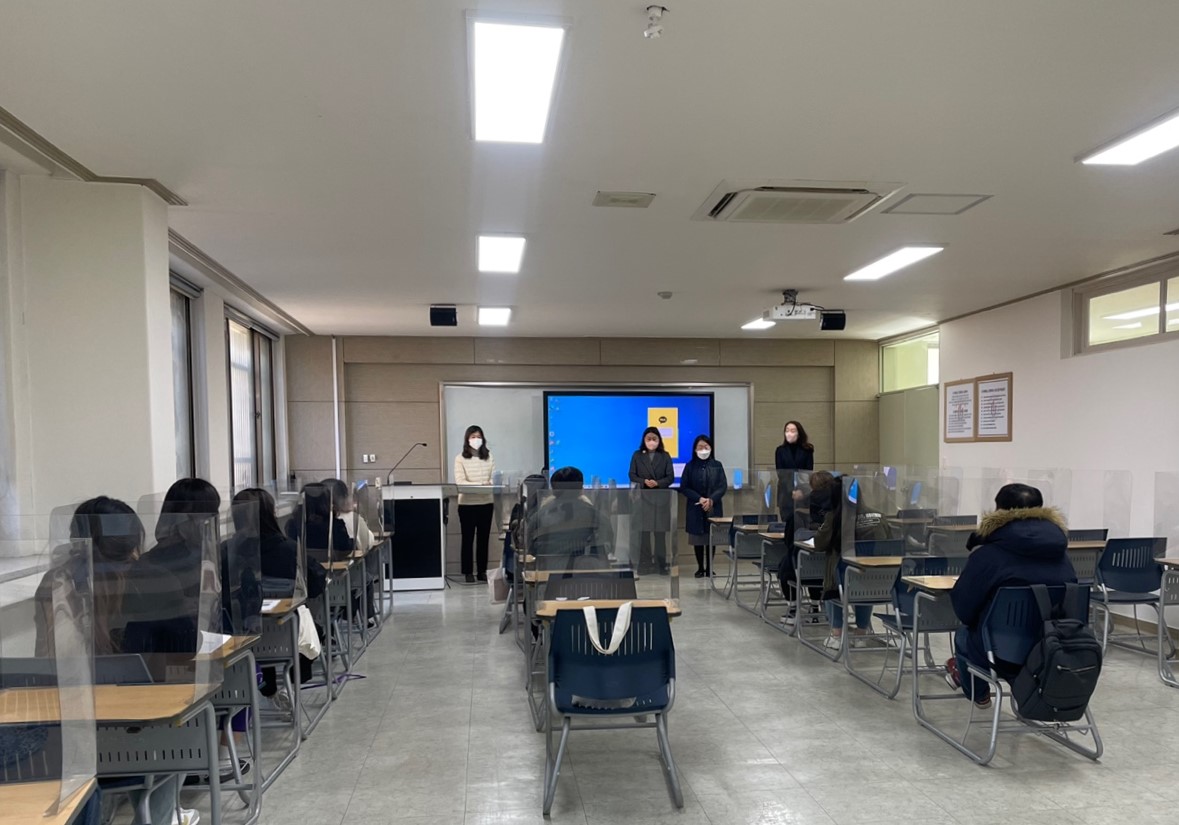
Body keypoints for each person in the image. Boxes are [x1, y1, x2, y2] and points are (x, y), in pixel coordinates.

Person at [947, 483, 1076, 708]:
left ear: (999, 511)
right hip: (1054, 645)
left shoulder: (987, 555)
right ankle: (1025, 691)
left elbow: (964, 610)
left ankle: (980, 695)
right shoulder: (1061, 555)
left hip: (1000, 651)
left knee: (963, 636)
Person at [229, 487, 326, 713]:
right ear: (271, 514)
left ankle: (268, 688)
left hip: (240, 638)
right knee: (316, 631)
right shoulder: (288, 549)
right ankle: (287, 685)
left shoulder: (227, 552)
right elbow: (315, 582)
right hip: (286, 637)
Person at [811, 472, 889, 649]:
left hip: (842, 581)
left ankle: (836, 635)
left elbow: (819, 544)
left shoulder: (834, 518)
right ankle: (861, 634)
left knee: (832, 582)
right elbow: (888, 545)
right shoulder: (879, 516)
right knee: (863, 583)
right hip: (878, 581)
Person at [527, 466, 614, 568]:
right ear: (581, 489)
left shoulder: (539, 517)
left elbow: (530, 549)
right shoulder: (596, 516)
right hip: (586, 574)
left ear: (553, 490)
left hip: (549, 573)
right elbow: (607, 547)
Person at [678, 435, 727, 578]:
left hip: (713, 506)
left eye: (706, 446)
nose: (703, 449)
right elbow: (684, 487)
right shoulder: (690, 466)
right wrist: (699, 499)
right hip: (695, 506)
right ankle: (700, 567)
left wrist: (711, 500)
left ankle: (710, 568)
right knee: (698, 539)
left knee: (711, 538)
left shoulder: (717, 465)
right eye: (700, 447)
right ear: (695, 449)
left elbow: (722, 486)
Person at [628, 426, 674, 575]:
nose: (651, 441)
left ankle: (661, 565)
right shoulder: (637, 455)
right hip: (643, 499)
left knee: (660, 535)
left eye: (654, 438)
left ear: (659, 440)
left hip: (661, 500)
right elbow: (632, 475)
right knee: (644, 535)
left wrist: (658, 483)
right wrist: (644, 482)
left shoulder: (665, 456)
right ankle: (644, 565)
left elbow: (670, 477)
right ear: (644, 440)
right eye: (649, 439)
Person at [454, 425, 496, 583]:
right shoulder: (460, 458)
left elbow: (494, 478)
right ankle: (468, 572)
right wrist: (481, 484)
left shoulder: (489, 457)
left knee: (483, 539)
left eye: (478, 437)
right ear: (467, 439)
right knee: (467, 539)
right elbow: (460, 482)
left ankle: (482, 571)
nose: (476, 440)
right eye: (473, 437)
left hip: (486, 503)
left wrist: (489, 483)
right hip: (467, 504)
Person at [775, 420, 814, 527]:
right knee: (787, 524)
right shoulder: (780, 450)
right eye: (787, 430)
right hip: (785, 493)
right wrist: (792, 490)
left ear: (799, 433)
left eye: (792, 431)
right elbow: (781, 474)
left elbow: (808, 472)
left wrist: (801, 491)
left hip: (802, 493)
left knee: (801, 525)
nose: (789, 433)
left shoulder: (807, 450)